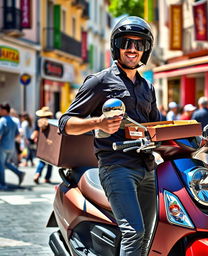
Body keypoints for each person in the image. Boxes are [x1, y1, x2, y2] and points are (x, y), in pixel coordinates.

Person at [59, 16, 160, 256]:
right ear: (117, 46)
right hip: (117, 167)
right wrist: (99, 122)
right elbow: (65, 123)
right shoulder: (100, 81)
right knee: (134, 232)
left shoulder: (147, 87)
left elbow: (157, 124)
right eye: (127, 42)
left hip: (147, 167)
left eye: (139, 44)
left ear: (145, 49)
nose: (132, 49)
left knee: (147, 233)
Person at [0, 102, 25, 190]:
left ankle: (2, 184)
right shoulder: (14, 120)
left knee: (1, 165)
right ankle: (19, 173)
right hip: (11, 146)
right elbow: (17, 134)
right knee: (6, 163)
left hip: (2, 146)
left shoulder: (2, 120)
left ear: (3, 110)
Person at [32, 106, 54, 184]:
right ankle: (47, 178)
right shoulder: (52, 122)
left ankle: (37, 173)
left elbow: (35, 133)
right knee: (50, 161)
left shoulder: (38, 121)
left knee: (42, 160)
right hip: (50, 142)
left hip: (41, 143)